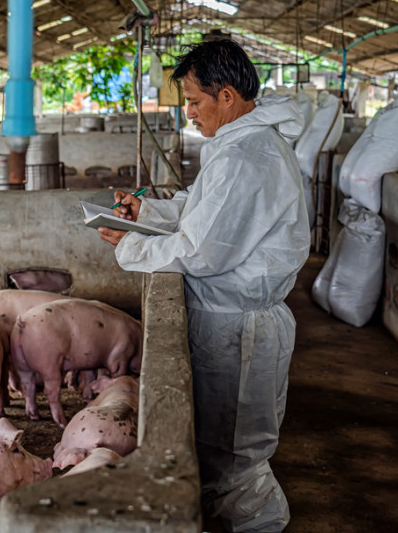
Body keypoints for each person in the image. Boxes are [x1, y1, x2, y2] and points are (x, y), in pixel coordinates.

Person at [97, 38, 310, 533]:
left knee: (238, 463)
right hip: (233, 322)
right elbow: (201, 207)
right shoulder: (241, 144)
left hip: (240, 332)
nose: (189, 112)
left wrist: (131, 248)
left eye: (194, 101)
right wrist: (146, 213)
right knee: (224, 455)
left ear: (228, 96)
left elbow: (202, 250)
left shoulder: (243, 157)